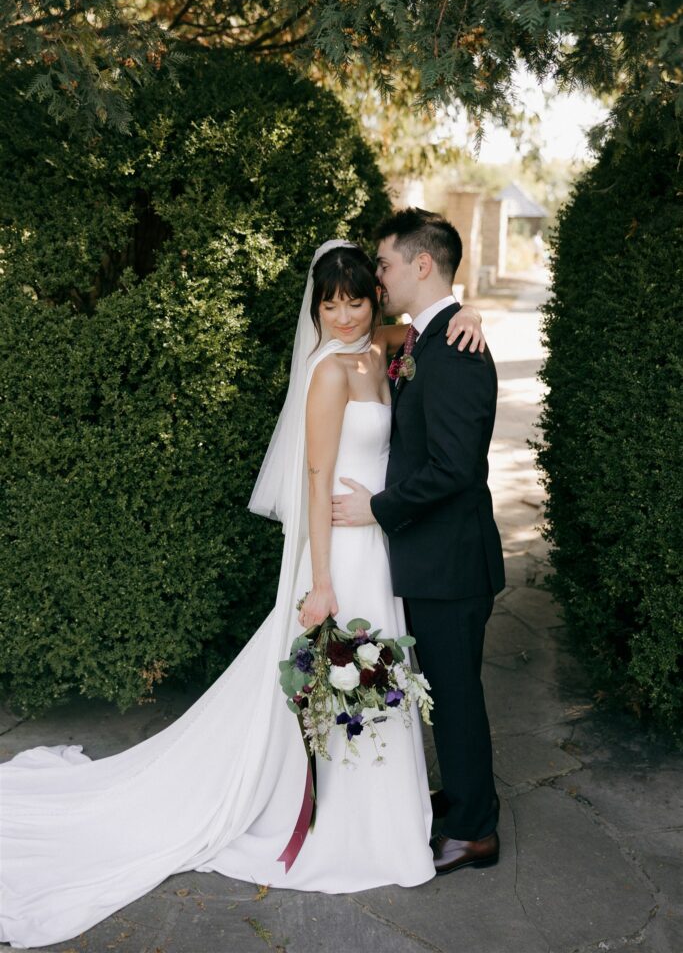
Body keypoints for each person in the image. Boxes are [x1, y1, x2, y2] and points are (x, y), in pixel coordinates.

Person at [0, 238, 486, 949]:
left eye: (356, 301)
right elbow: (315, 481)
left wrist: (469, 312)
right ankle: (347, 822)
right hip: (340, 551)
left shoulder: (383, 350)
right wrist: (321, 583)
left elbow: (419, 332)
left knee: (378, 680)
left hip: (381, 548)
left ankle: (384, 815)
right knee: (347, 678)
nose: (344, 316)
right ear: (315, 311)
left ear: (374, 300)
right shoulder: (328, 371)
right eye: (330, 305)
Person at [332, 209, 505, 874]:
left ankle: (474, 830)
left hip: (451, 563)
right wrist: (471, 309)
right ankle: (462, 800)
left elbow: (454, 468)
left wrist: (377, 509)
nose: (378, 276)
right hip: (434, 559)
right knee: (447, 692)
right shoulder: (426, 337)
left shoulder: (455, 350)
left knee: (456, 698)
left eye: (384, 263)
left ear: (421, 263)